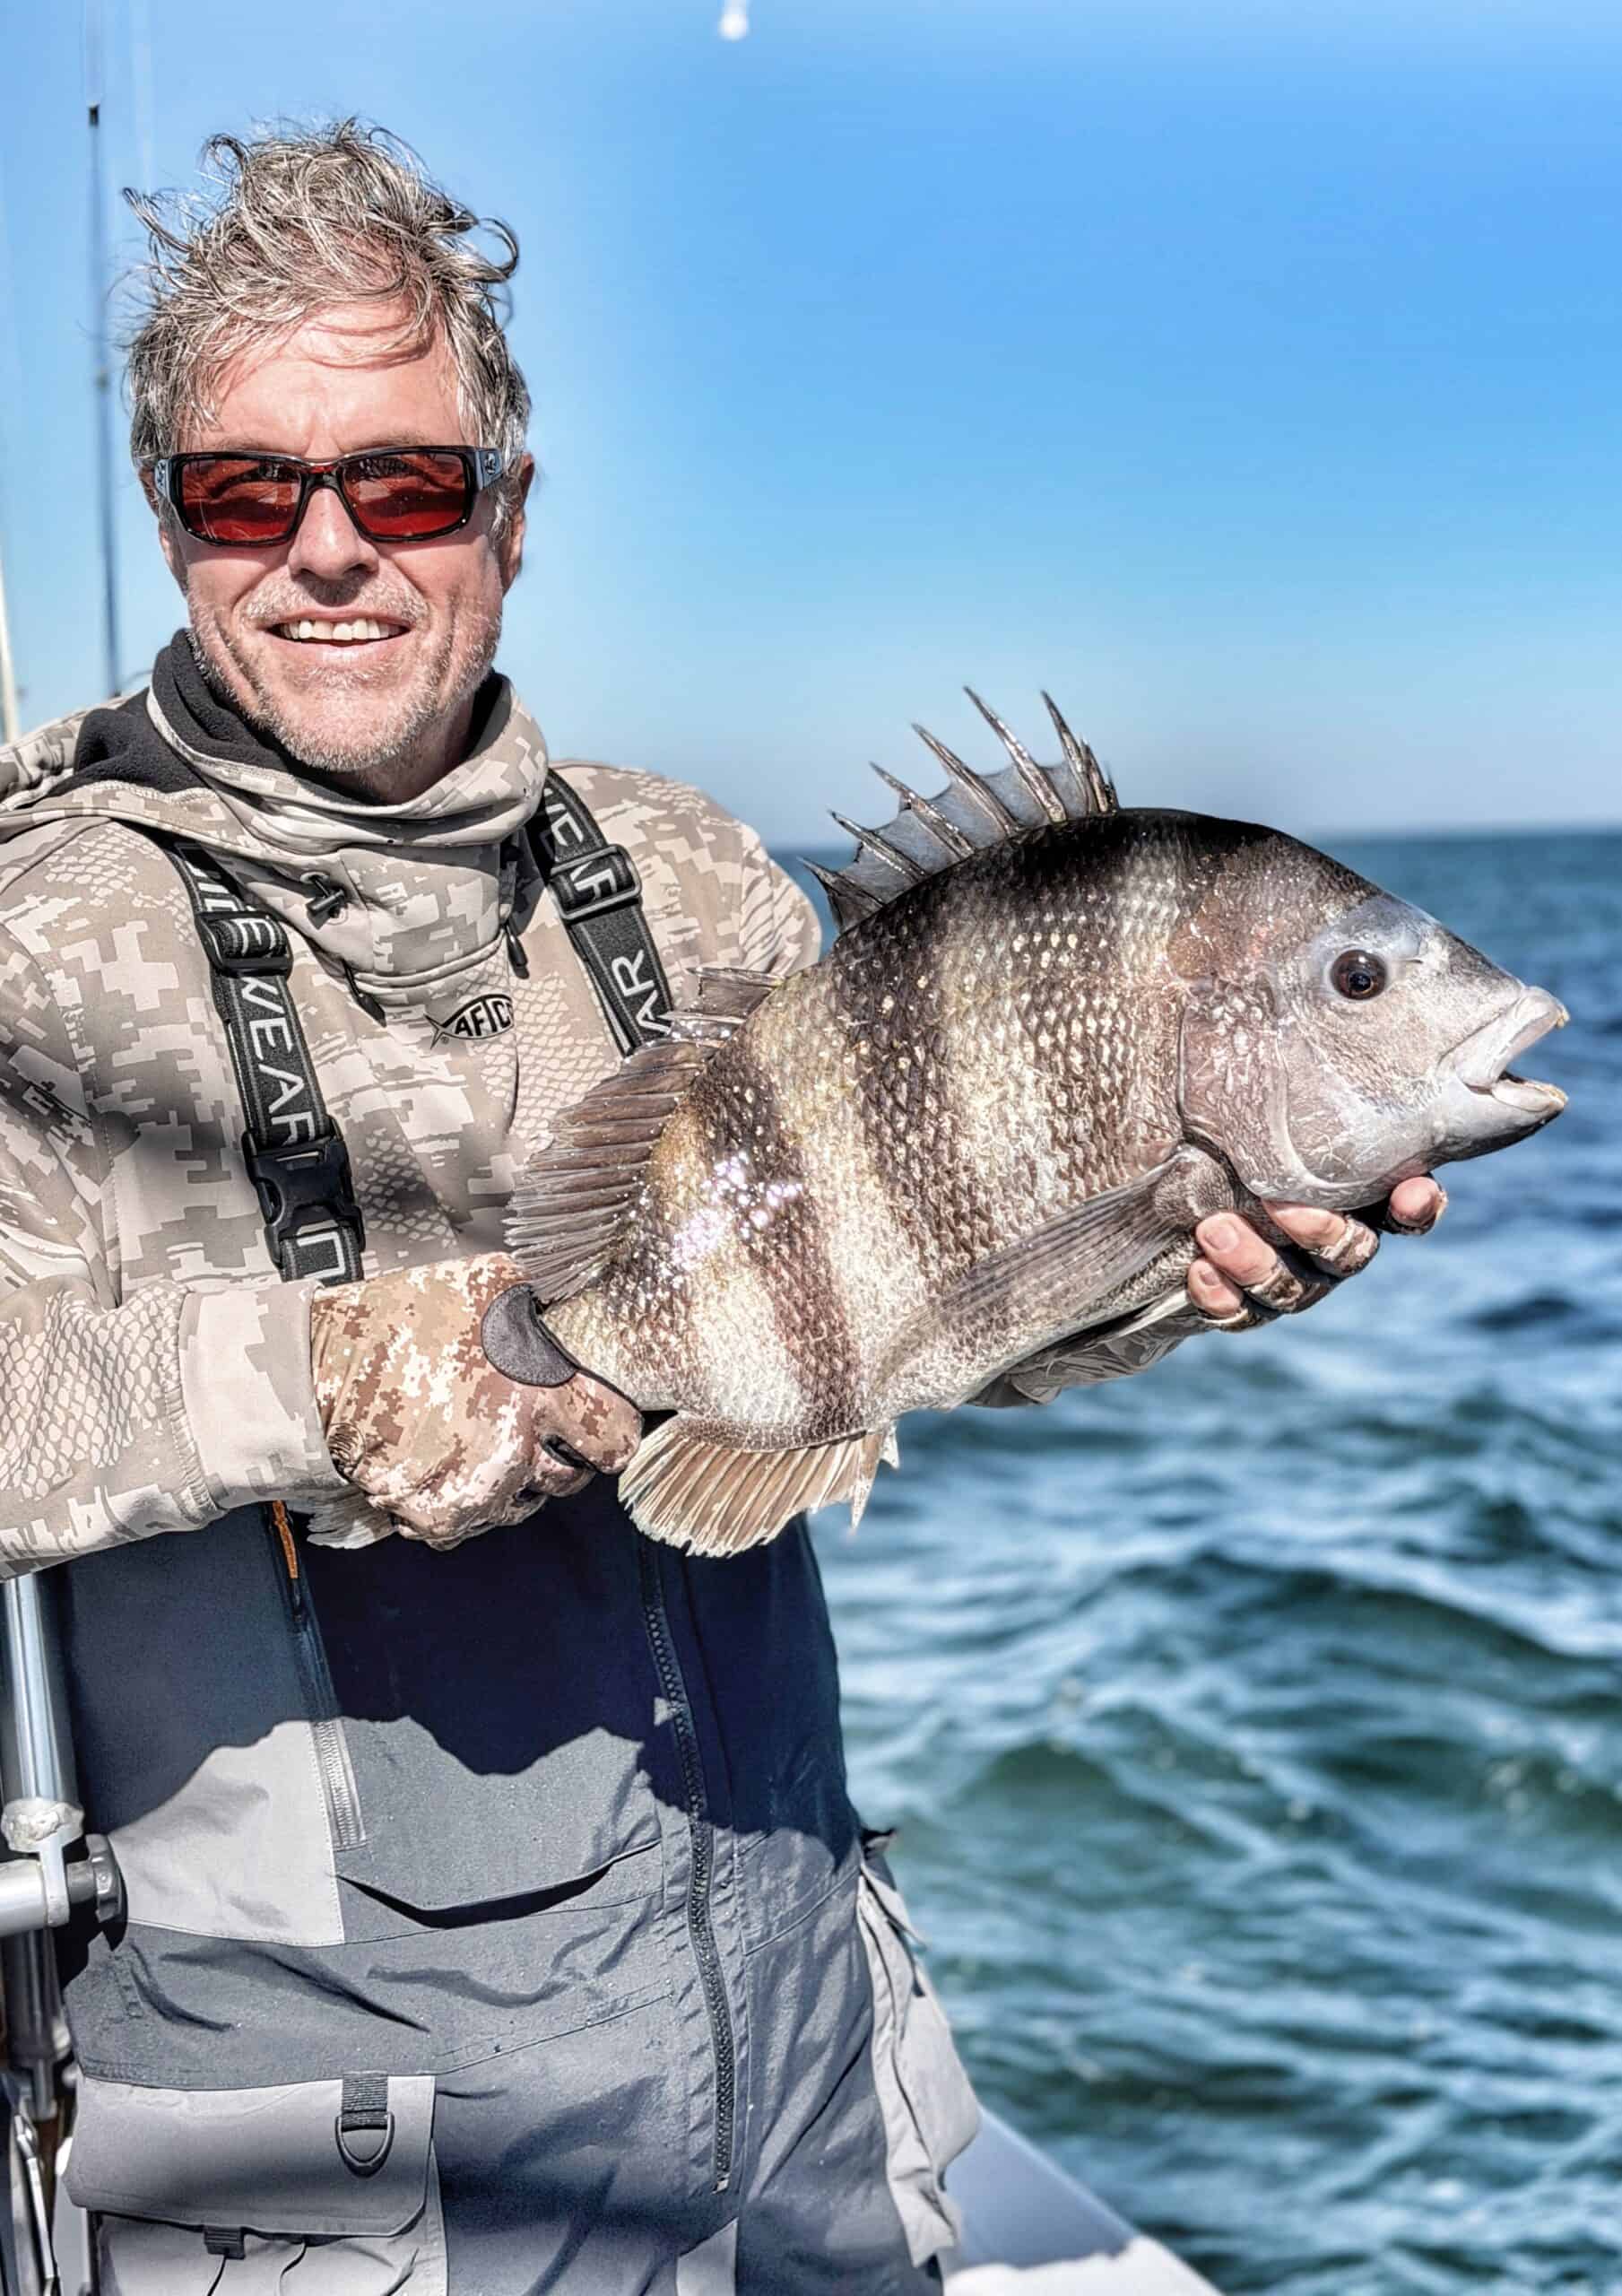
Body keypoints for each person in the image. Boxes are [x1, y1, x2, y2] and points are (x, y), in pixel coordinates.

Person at [0, 123, 1443, 2294]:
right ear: (175, 524)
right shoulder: (45, 933)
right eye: (244, 491)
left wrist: (1166, 1270)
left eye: (402, 483)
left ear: (505, 509)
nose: (329, 552)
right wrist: (327, 1373)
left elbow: (893, 1303)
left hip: (792, 2063)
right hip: (356, 2165)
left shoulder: (677, 872)